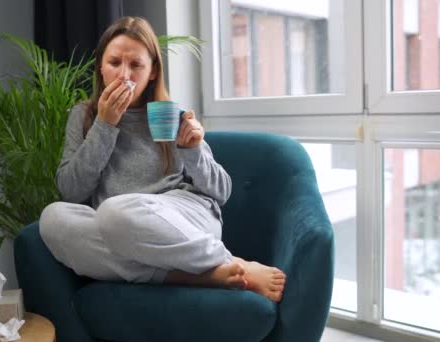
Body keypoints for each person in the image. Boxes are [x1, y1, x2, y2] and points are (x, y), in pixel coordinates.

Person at [39, 16, 285, 302]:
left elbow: (221, 192)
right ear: (100, 67)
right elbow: (71, 191)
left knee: (114, 212)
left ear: (153, 71)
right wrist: (104, 125)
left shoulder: (171, 113)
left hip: (182, 217)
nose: (124, 75)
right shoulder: (83, 117)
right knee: (53, 218)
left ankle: (230, 261)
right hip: (122, 229)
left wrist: (192, 151)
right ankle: (205, 274)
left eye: (136, 65)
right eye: (114, 62)